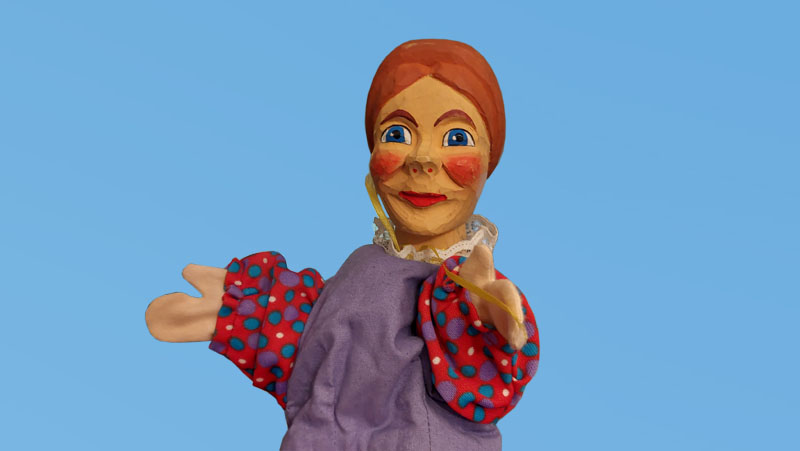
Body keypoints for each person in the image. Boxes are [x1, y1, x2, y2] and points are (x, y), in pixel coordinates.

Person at [146, 39, 540, 451]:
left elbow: (483, 374)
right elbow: (318, 345)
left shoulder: (461, 291)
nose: (422, 159)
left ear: (489, 158)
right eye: (397, 133)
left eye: (457, 137)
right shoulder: (364, 269)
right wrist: (247, 311)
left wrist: (481, 318)